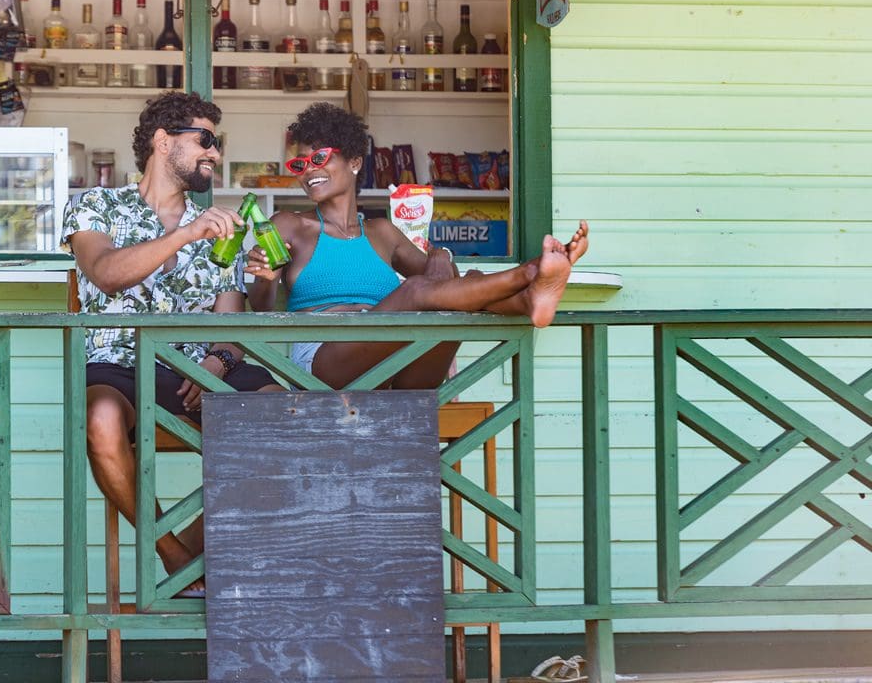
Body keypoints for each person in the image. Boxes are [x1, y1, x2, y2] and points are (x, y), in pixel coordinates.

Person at [63, 91, 279, 595]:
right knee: (100, 420)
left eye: (217, 144)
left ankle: (197, 551)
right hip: (119, 363)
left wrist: (218, 361)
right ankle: (173, 555)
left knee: (287, 423)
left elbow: (231, 323)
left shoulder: (223, 229)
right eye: (205, 140)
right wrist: (185, 234)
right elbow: (106, 273)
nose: (215, 154)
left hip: (196, 371)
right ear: (163, 141)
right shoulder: (97, 206)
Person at [245, 101, 589, 390]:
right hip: (323, 366)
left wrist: (442, 257)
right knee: (415, 292)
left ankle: (529, 299)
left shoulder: (383, 232)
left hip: (394, 370)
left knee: (457, 290)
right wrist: (264, 278)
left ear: (354, 162)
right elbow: (261, 307)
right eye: (300, 164)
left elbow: (443, 284)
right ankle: (529, 274)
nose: (308, 170)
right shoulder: (288, 224)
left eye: (319, 158)